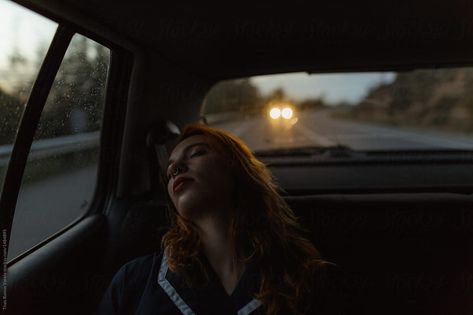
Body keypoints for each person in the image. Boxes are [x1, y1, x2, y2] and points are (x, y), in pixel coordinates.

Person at [97, 123, 346, 315]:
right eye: (170, 168)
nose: (175, 168)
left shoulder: (305, 278)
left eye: (197, 153)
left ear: (236, 169)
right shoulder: (134, 281)